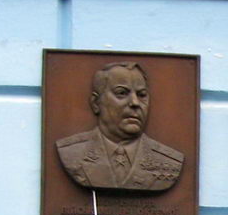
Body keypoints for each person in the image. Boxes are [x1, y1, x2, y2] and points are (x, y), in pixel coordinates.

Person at [56, 61, 184, 192]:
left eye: (141, 95)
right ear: (96, 103)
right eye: (122, 93)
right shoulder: (71, 153)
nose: (135, 103)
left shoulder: (170, 162)